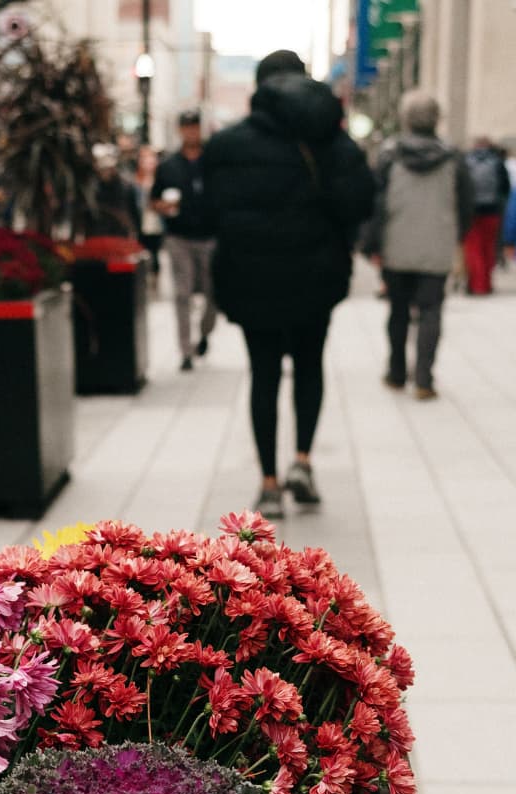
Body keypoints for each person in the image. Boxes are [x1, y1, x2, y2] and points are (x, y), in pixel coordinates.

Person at [204, 49, 374, 520]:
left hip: (251, 279)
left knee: (263, 375)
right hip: (315, 279)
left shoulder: (228, 145)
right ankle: (302, 460)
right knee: (310, 365)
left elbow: (207, 216)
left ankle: (269, 484)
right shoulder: (331, 143)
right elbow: (360, 203)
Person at [361, 91, 474, 401]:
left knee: (397, 310)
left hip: (397, 244)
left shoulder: (389, 154)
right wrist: (455, 236)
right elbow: (466, 204)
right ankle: (424, 378)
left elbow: (376, 203)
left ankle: (397, 372)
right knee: (431, 310)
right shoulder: (452, 157)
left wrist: (372, 242)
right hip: (437, 242)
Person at [153, 109, 216, 371]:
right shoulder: (169, 166)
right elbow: (154, 200)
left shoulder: (212, 162)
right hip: (179, 237)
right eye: (187, 127)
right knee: (182, 293)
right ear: (180, 130)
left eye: (195, 127)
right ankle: (185, 349)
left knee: (214, 293)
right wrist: (163, 208)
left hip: (210, 236)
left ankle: (204, 332)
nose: (192, 131)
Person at [462, 136, 510, 294]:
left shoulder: (466, 160)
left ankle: (476, 284)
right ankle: (486, 283)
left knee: (473, 248)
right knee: (489, 248)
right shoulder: (497, 162)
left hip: (471, 211)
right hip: (492, 211)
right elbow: (505, 188)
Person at [84, 144, 140, 238]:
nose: (106, 172)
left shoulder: (125, 186)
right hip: (98, 233)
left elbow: (132, 211)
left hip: (121, 233)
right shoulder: (92, 187)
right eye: (103, 169)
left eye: (108, 168)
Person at [133, 145, 163, 291]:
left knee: (156, 254)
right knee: (142, 251)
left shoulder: (161, 180)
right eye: (145, 159)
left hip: (157, 224)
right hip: (142, 223)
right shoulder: (134, 182)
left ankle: (154, 282)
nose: (149, 162)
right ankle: (143, 281)